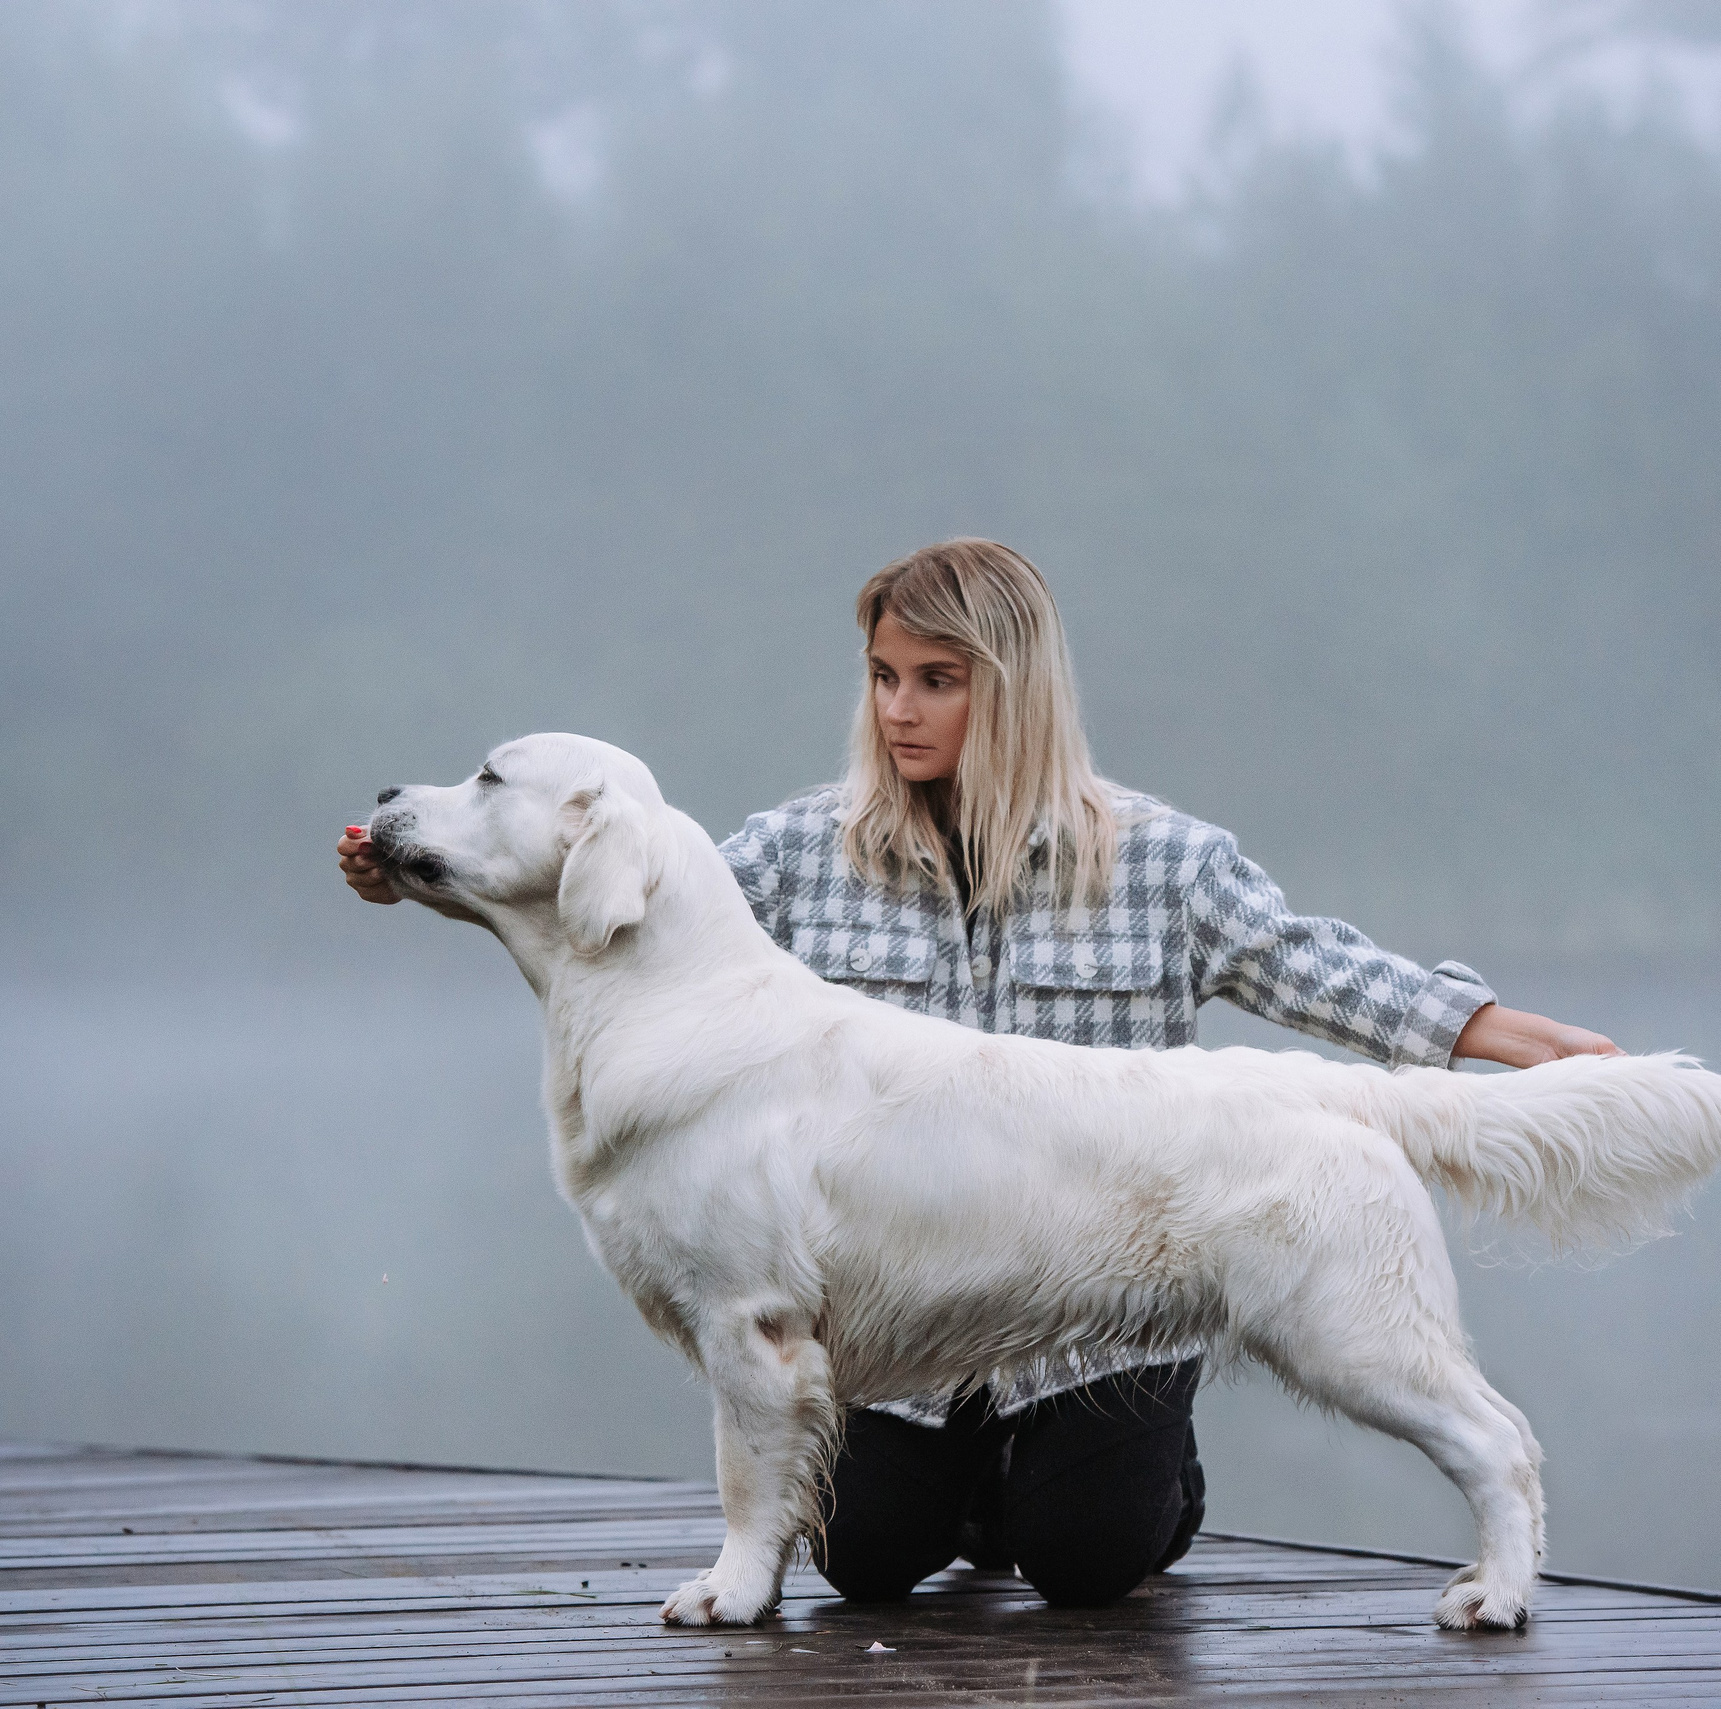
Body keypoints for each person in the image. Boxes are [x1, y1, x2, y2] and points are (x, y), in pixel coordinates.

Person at [337, 538, 1619, 1611]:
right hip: (906, 1342)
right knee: (870, 1559)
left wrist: (1489, 1035)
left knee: (1088, 1556)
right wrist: (426, 873)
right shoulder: (787, 852)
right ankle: (938, 1494)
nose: (898, 708)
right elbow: (603, 920)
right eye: (884, 675)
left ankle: (1133, 1476)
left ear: (1012, 690)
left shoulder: (1162, 859)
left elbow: (1308, 966)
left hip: (1100, 1310)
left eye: (937, 679)